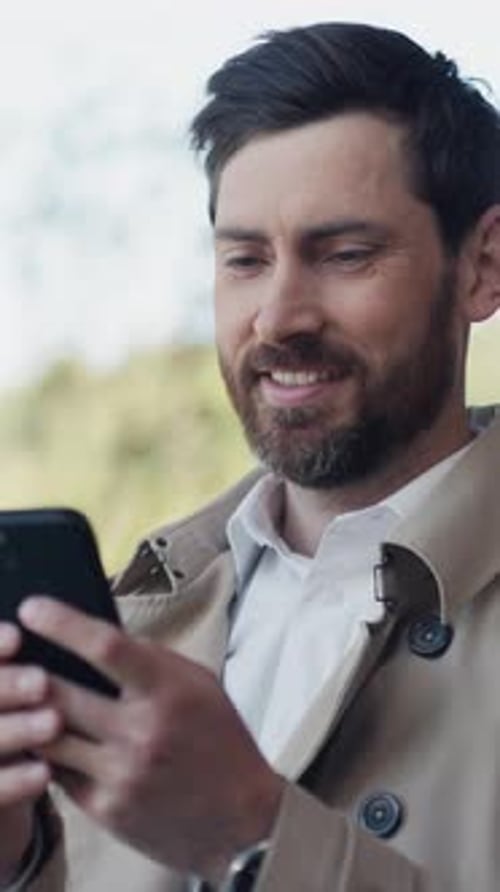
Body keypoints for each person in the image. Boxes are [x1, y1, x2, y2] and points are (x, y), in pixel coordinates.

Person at [1, 19, 500, 892]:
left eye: (345, 255)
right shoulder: (136, 624)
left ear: (483, 267)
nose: (277, 317)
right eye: (244, 259)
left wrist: (252, 833)